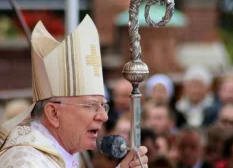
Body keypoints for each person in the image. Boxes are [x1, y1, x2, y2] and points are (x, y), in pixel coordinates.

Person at [0, 15, 148, 168]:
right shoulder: (27, 162)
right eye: (92, 105)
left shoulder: (51, 157)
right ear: (54, 113)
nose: (104, 117)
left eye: (103, 106)